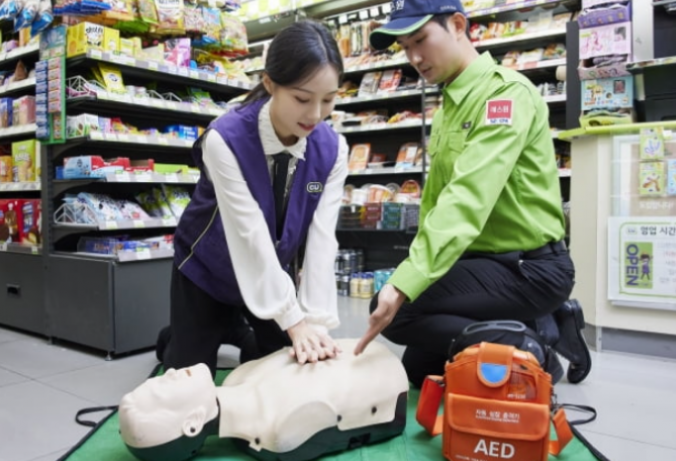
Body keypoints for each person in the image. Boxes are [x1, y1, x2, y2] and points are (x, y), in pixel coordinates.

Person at [354, 0, 591, 387]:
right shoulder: (448, 103)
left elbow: (467, 197)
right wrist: (418, 266)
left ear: (458, 25)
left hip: (529, 268)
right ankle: (542, 322)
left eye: (421, 39)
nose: (414, 56)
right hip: (483, 264)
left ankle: (534, 347)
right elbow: (438, 200)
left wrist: (403, 282)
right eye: (404, 47)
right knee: (421, 371)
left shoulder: (505, 95)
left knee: (399, 313)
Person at [157, 20, 349, 378]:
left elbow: (322, 240)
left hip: (272, 272)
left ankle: (234, 329)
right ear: (269, 84)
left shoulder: (333, 149)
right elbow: (249, 234)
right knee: (188, 376)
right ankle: (188, 334)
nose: (315, 115)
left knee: (283, 366)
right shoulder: (224, 139)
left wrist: (315, 322)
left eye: (329, 99)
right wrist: (293, 322)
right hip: (207, 268)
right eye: (302, 99)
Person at [120, 339, 409, 461]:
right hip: (388, 377)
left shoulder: (239, 378)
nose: (169, 371)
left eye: (157, 379)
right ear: (193, 423)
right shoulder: (280, 429)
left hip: (370, 353)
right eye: (161, 389)